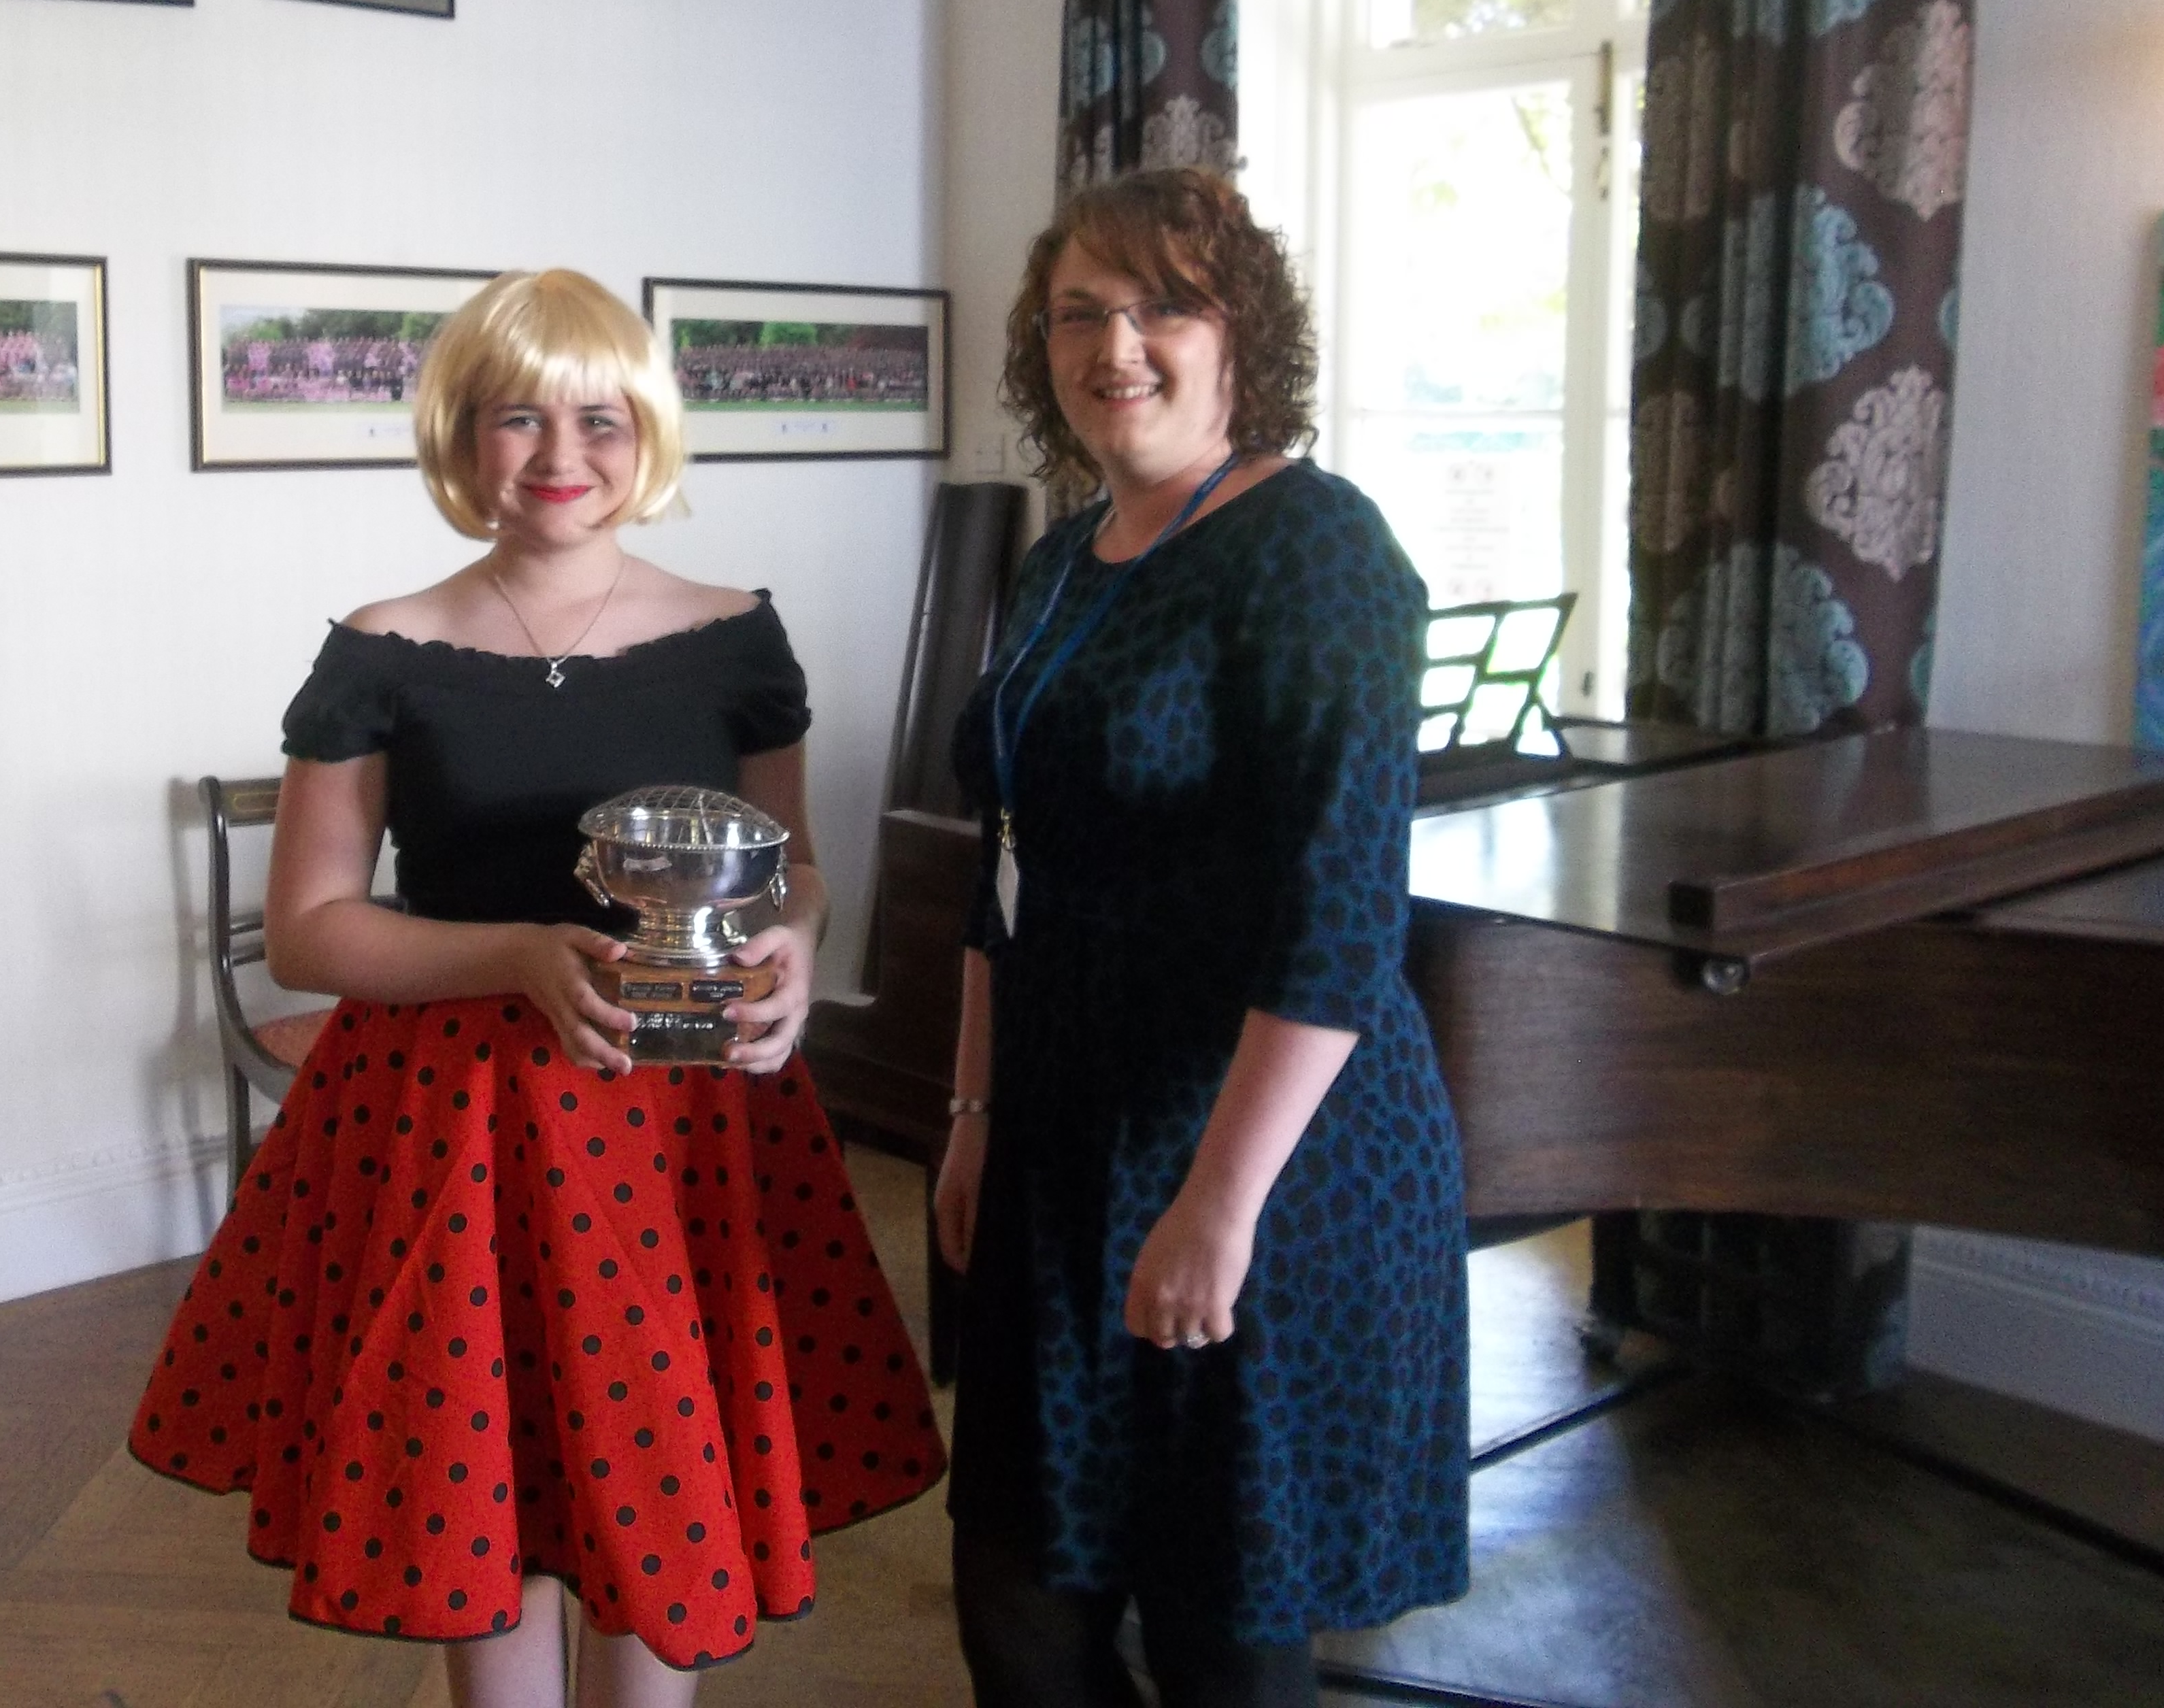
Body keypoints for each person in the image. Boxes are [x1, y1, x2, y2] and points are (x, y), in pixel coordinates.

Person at [130, 269, 941, 1708]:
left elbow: (790, 872)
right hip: (457, 1124)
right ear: (461, 437)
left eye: (599, 419)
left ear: (649, 435)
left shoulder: (739, 637)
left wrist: (802, 944)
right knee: (482, 1475)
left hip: (685, 1120)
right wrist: (513, 954)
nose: (562, 455)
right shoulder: (382, 647)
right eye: (518, 418)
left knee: (658, 1470)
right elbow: (308, 932)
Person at [933, 170, 1467, 1708]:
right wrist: (972, 1114)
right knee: (1021, 1604)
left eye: (1161, 306)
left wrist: (1220, 1205)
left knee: (1219, 1622)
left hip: (1257, 1156)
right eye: (1077, 315)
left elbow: (1341, 915)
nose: (1116, 346)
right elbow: (1006, 860)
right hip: (1061, 1140)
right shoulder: (1062, 560)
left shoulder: (1317, 547)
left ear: (1242, 336)